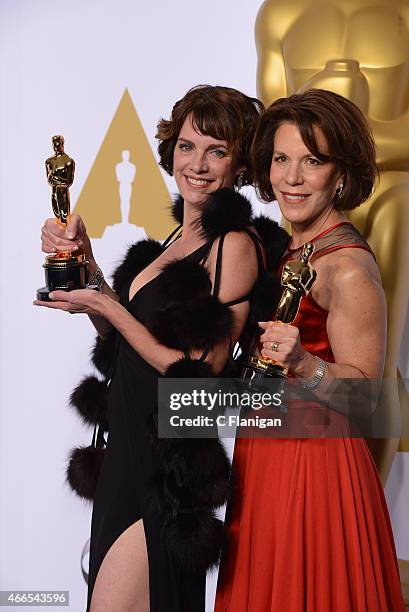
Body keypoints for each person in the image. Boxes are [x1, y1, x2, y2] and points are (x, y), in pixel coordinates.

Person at [34, 85, 289, 612]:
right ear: (171, 148)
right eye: (188, 146)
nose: (197, 163)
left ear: (239, 166)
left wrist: (110, 311)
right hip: (126, 448)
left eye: (217, 151)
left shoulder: (234, 245)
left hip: (164, 468)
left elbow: (201, 369)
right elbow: (126, 341)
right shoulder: (176, 240)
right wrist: (88, 267)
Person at [215, 89, 405, 611]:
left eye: (312, 161)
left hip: (316, 467)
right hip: (266, 453)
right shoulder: (289, 245)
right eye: (281, 159)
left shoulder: (348, 267)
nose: (292, 178)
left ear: (339, 173)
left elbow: (369, 399)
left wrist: (305, 363)